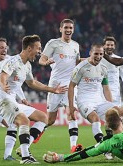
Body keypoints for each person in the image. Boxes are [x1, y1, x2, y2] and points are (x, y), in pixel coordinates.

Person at [0, 35, 67, 164]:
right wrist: (3, 85)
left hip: (11, 100)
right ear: (29, 48)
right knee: (24, 121)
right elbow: (2, 76)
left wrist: (52, 89)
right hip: (1, 99)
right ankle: (26, 157)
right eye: (38, 48)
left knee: (43, 118)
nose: (40, 52)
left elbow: (32, 83)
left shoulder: (27, 66)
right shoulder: (13, 61)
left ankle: (23, 148)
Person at [68, 44, 123, 160]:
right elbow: (71, 86)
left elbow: (106, 88)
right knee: (95, 119)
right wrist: (71, 106)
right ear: (90, 53)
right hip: (84, 101)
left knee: (120, 112)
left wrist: (111, 106)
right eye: (96, 54)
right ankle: (104, 149)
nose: (98, 56)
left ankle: (115, 142)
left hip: (99, 100)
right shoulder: (81, 68)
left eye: (101, 54)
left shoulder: (103, 68)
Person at [38, 18, 82, 152]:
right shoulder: (53, 43)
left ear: (73, 30)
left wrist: (93, 60)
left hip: (70, 85)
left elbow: (78, 62)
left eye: (70, 28)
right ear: (60, 29)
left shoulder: (76, 45)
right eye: (66, 28)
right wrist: (45, 62)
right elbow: (41, 59)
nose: (68, 30)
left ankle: (73, 146)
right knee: (50, 120)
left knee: (72, 114)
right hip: (56, 86)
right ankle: (33, 135)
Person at [101, 36, 123, 136]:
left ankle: (121, 138)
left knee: (119, 116)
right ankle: (109, 143)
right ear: (104, 46)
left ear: (114, 46)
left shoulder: (118, 59)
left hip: (115, 93)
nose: (109, 46)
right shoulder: (99, 59)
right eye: (108, 45)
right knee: (108, 118)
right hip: (103, 93)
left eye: (111, 45)